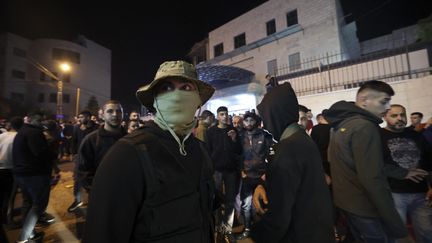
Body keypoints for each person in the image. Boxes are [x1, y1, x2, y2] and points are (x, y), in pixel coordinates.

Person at [83, 60, 215, 243]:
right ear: (155, 100)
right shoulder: (126, 154)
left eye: (186, 87)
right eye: (166, 88)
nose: (177, 96)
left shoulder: (200, 150)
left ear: (198, 100)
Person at [323, 80, 410, 242]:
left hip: (348, 203)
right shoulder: (364, 127)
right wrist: (396, 224)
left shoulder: (341, 124)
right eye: (383, 102)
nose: (387, 108)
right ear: (364, 101)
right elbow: (372, 178)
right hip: (365, 207)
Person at [251, 82, 334, 243]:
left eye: (265, 118)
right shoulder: (302, 139)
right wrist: (263, 185)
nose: (265, 125)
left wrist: (257, 235)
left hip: (299, 234)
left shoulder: (287, 149)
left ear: (276, 115)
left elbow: (279, 214)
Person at [381, 104, 432, 243]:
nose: (400, 118)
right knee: (399, 235)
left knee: (427, 232)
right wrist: (403, 173)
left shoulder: (417, 136)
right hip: (394, 193)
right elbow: (375, 165)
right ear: (384, 116)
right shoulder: (378, 136)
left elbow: (429, 162)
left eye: (402, 115)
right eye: (394, 115)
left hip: (420, 193)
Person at [12, 112, 58, 243]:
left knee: (28, 202)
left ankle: (30, 233)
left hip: (21, 174)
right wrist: (53, 148)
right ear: (35, 121)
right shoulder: (34, 133)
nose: (42, 123)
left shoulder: (22, 131)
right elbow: (42, 153)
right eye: (41, 120)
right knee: (39, 205)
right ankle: (24, 237)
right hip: (34, 175)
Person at [206, 106, 243, 242]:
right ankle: (217, 227)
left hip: (230, 170)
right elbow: (208, 151)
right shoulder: (211, 132)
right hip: (216, 170)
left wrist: (234, 139)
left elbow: (239, 150)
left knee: (230, 200)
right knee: (216, 200)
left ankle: (225, 229)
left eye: (226, 114)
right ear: (217, 116)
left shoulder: (232, 131)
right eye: (222, 114)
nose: (224, 116)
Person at [235, 112, 273, 241]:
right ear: (243, 122)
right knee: (245, 205)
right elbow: (237, 155)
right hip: (246, 175)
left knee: (263, 204)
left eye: (251, 120)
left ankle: (265, 228)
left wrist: (266, 172)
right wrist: (241, 171)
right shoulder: (239, 136)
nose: (249, 123)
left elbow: (271, 154)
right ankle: (247, 229)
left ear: (256, 121)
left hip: (261, 176)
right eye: (246, 121)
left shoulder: (265, 135)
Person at [78, 100, 127, 192]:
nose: (115, 114)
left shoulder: (131, 139)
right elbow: (83, 172)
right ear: (102, 115)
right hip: (100, 194)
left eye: (119, 111)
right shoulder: (90, 140)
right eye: (110, 111)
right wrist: (97, 190)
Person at [67, 110, 97, 212]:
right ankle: (77, 200)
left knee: (91, 180)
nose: (79, 119)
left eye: (82, 117)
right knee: (77, 179)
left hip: (92, 159)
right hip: (80, 158)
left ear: (88, 117)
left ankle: (93, 201)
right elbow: (74, 141)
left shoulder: (95, 128)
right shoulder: (76, 128)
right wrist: (73, 153)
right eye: (79, 117)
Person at [0, 117, 23, 243]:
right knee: (10, 197)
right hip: (11, 169)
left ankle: (3, 218)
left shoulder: (2, 135)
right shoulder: (19, 137)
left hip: (0, 167)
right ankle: (8, 221)